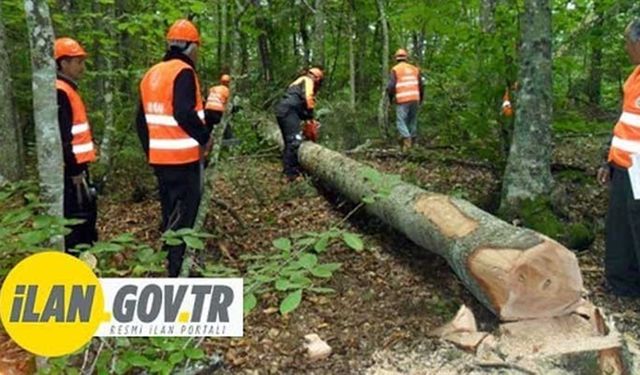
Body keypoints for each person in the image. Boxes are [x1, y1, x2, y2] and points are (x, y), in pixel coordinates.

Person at [136, 19, 214, 277]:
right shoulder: (184, 72)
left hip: (161, 162)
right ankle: (182, 275)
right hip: (184, 161)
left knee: (170, 216)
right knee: (185, 220)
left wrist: (153, 153)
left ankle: (176, 267)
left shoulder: (152, 74)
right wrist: (204, 138)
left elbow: (141, 121)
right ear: (191, 46)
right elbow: (183, 112)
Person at [596, 19, 640, 297]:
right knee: (621, 229)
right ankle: (623, 287)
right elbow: (625, 122)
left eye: (628, 42)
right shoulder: (634, 78)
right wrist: (608, 161)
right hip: (624, 166)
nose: (626, 48)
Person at [55, 37, 98, 254]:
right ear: (63, 63)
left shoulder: (68, 89)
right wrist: (74, 170)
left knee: (84, 217)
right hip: (73, 172)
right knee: (76, 221)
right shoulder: (61, 91)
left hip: (77, 168)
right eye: (77, 61)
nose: (82, 66)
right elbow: (64, 137)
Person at [274, 67, 323, 182]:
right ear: (316, 78)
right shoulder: (308, 81)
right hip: (289, 110)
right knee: (294, 141)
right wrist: (310, 116)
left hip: (282, 110)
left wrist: (307, 118)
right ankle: (292, 174)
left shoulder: (298, 82)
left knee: (288, 142)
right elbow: (308, 98)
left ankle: (287, 170)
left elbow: (297, 103)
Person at [387, 48, 424, 152]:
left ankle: (407, 139)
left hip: (402, 99)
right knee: (412, 120)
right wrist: (420, 98)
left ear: (396, 59)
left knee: (401, 121)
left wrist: (390, 99)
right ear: (406, 58)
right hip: (415, 98)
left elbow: (391, 86)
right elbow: (421, 85)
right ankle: (413, 143)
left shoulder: (395, 69)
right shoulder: (415, 69)